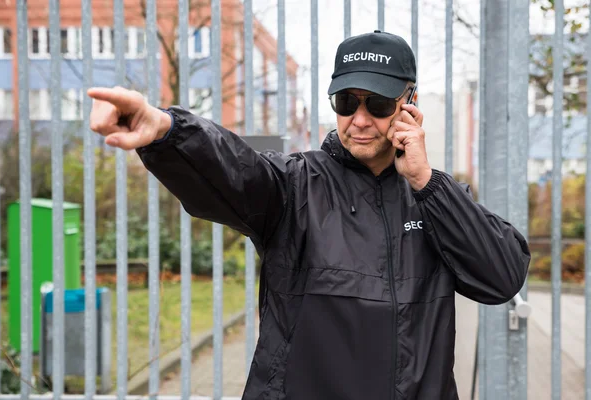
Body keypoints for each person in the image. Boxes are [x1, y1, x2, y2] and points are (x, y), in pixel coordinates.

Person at [89, 30, 530, 400]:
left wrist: (426, 182)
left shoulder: (436, 197)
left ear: (408, 102)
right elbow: (234, 169)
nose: (359, 119)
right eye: (345, 101)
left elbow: (502, 277)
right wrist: (167, 131)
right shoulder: (295, 186)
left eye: (376, 103)